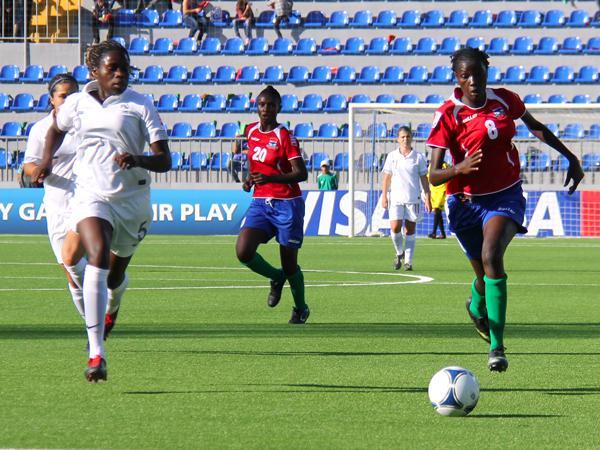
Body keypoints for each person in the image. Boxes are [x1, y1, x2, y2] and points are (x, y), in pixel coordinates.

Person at [427, 47, 584, 373]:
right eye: (465, 75)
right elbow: (433, 175)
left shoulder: (505, 99)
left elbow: (535, 127)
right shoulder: (448, 114)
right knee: (483, 276)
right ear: (457, 78)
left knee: (491, 256)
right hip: (465, 203)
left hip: (505, 196)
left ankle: (496, 347)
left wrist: (571, 157)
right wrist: (459, 169)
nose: (473, 81)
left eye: (478, 73)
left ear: (487, 70)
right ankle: (476, 304)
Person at [32, 41, 171, 382]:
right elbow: (55, 128)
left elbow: (165, 160)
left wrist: (137, 159)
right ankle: (97, 353)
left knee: (114, 276)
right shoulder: (77, 103)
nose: (121, 74)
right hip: (91, 194)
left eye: (125, 68)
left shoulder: (140, 104)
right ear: (95, 72)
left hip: (132, 201)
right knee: (96, 255)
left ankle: (114, 303)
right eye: (113, 68)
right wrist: (46, 161)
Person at [235, 85, 310, 324]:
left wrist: (270, 178)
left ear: (279, 108)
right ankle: (276, 277)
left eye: (270, 105)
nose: (265, 108)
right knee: (243, 251)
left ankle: (300, 308)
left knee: (290, 265)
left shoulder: (284, 136)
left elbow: (301, 173)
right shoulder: (250, 131)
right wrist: (250, 179)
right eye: (261, 104)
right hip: (260, 203)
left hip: (287, 204)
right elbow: (256, 164)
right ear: (256, 107)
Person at [22, 74, 87, 323]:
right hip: (57, 202)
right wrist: (38, 171)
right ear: (52, 99)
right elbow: (29, 164)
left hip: (87, 200)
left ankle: (98, 323)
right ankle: (93, 322)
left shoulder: (87, 124)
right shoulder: (40, 129)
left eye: (73, 95)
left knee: (75, 260)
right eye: (63, 96)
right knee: (71, 272)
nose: (68, 100)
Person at [381, 126, 431, 271]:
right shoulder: (392, 156)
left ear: (411, 138)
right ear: (398, 139)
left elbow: (424, 178)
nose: (405, 139)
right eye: (402, 137)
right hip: (396, 198)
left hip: (413, 198)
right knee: (395, 227)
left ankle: (408, 261)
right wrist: (384, 196)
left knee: (410, 230)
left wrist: (428, 197)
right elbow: (387, 178)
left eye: (408, 136)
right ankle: (399, 253)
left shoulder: (418, 157)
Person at [428, 161, 448, 239]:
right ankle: (443, 234)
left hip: (442, 190)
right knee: (438, 212)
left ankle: (434, 232)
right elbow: (428, 177)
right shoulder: (431, 165)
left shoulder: (445, 165)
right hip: (434, 191)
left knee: (437, 210)